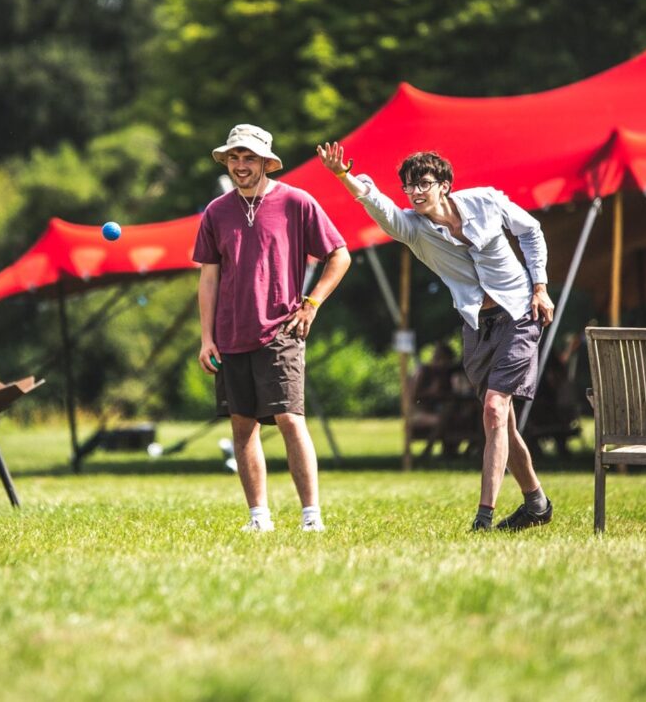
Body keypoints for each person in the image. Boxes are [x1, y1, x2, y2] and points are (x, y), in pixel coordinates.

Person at [318, 141, 555, 532]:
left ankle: (484, 518)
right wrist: (343, 175)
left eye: (423, 183)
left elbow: (531, 232)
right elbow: (375, 202)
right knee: (503, 424)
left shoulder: (486, 202)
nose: (415, 193)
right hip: (477, 326)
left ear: (444, 184)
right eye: (409, 187)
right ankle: (537, 503)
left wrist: (540, 287)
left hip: (520, 313)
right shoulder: (413, 229)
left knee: (494, 410)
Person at [194, 124, 351, 532]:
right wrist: (207, 337)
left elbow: (339, 255)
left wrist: (312, 303)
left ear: (266, 161)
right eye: (234, 158)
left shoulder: (296, 202)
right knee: (242, 426)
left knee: (289, 419)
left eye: (249, 158)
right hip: (230, 333)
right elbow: (209, 278)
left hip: (281, 329)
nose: (240, 165)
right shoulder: (216, 211)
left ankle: (311, 517)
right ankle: (259, 518)